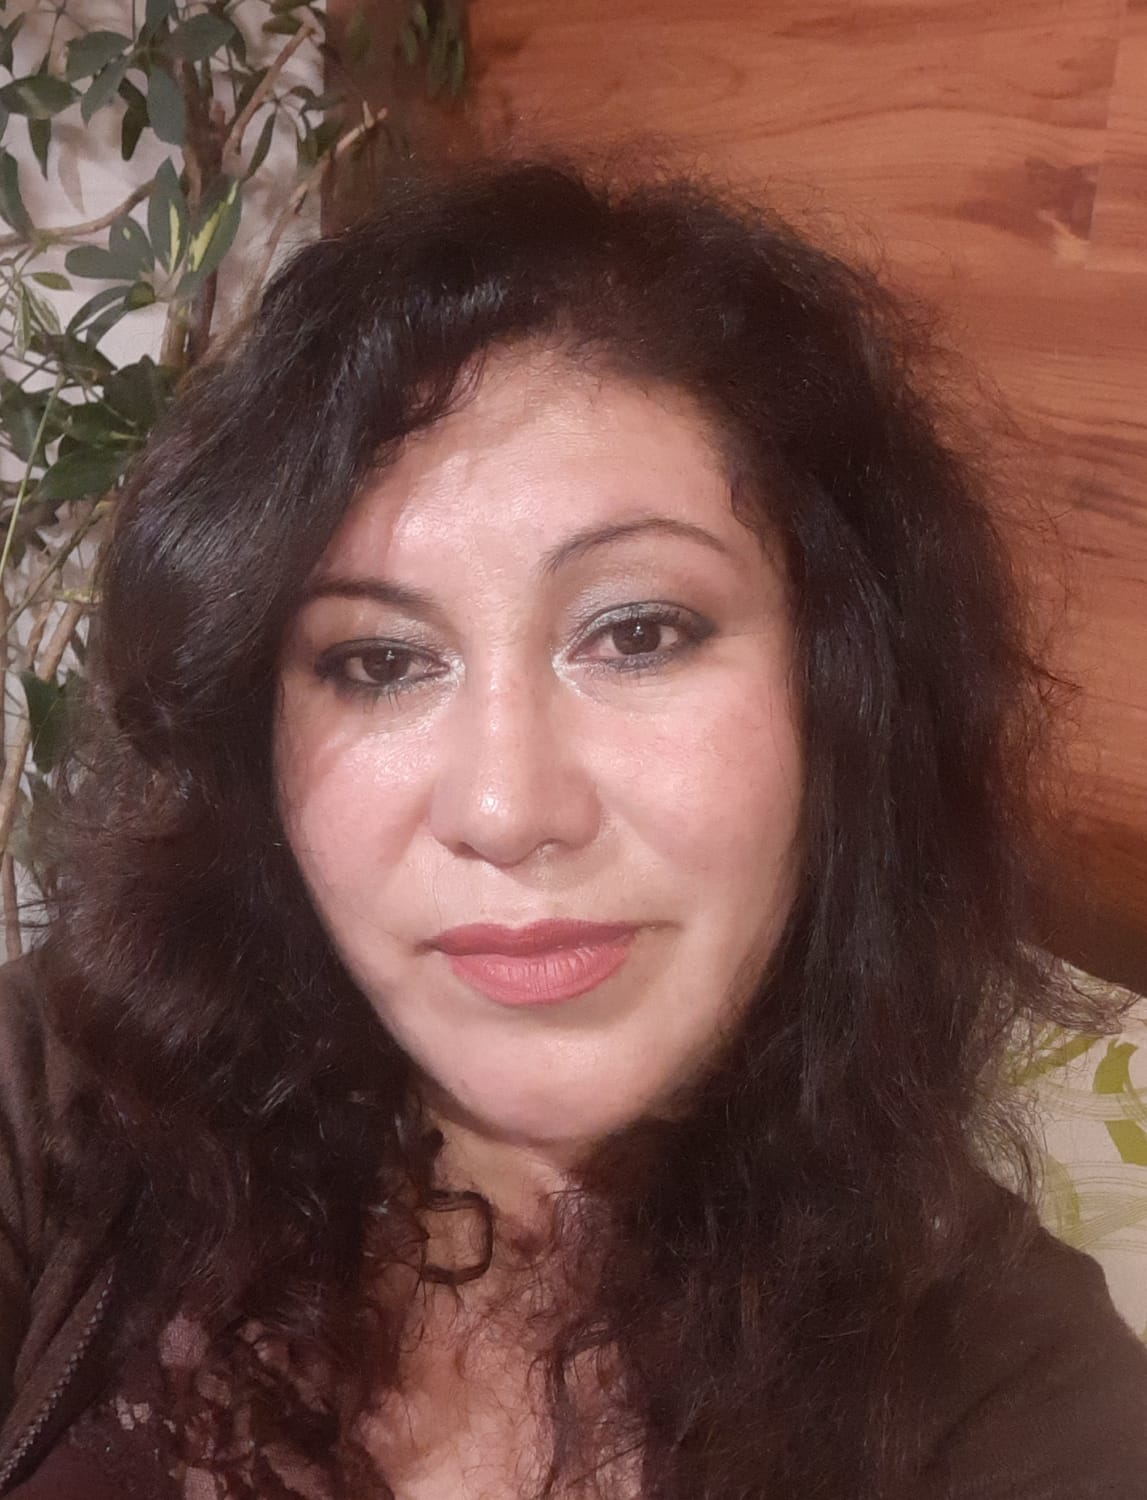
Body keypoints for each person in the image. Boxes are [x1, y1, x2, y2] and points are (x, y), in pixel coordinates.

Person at [0, 157, 1143, 1500]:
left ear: (847, 692)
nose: (507, 810)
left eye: (639, 633)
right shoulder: (65, 1096)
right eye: (378, 661)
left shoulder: (1020, 1401)